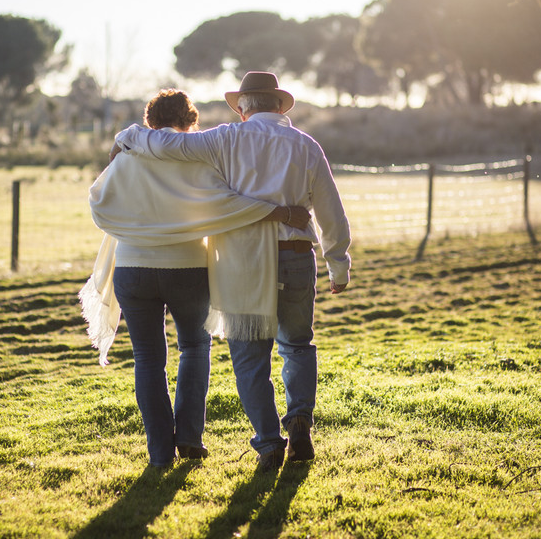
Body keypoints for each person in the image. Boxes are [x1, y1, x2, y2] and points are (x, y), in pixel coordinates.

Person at [113, 72, 352, 472]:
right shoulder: (307, 146)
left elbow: (168, 141)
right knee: (296, 344)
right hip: (295, 254)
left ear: (242, 108)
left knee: (248, 355)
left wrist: (127, 136)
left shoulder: (225, 138)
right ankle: (299, 422)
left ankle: (269, 443)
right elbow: (331, 209)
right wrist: (338, 263)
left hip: (243, 258)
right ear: (279, 106)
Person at [81, 89, 310, 468]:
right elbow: (228, 205)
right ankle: (188, 437)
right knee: (194, 347)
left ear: (150, 123)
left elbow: (98, 201)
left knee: (148, 360)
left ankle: (159, 453)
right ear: (190, 124)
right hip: (187, 269)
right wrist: (280, 213)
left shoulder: (126, 158)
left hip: (133, 270)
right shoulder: (197, 162)